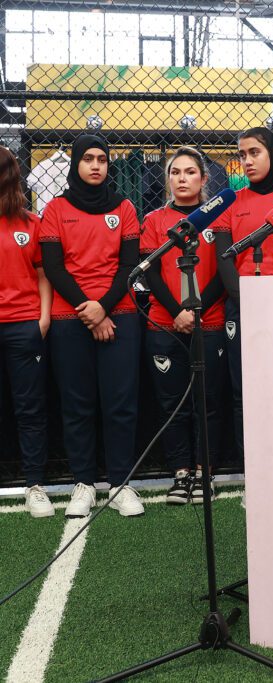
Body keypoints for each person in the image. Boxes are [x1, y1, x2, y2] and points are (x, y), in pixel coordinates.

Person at [40, 134, 143, 517]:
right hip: (71, 319)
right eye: (88, 159)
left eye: (102, 159)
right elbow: (54, 267)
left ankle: (120, 483)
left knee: (121, 405)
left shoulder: (125, 208)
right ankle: (83, 483)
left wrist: (104, 308)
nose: (96, 165)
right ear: (76, 164)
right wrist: (90, 311)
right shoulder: (55, 209)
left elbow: (129, 266)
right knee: (77, 405)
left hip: (120, 316)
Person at [141, 147, 227, 505]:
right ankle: (180, 472)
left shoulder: (218, 218)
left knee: (207, 402)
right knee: (172, 403)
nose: (182, 178)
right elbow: (151, 274)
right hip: (165, 323)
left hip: (209, 322)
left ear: (203, 179)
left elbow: (223, 271)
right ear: (167, 179)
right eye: (175, 172)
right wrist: (178, 311)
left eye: (190, 172)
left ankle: (204, 471)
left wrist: (196, 310)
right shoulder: (154, 221)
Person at [211, 127, 273, 469]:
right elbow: (224, 260)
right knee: (244, 392)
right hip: (243, 307)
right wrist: (247, 300)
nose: (247, 161)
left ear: (272, 153)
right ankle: (255, 470)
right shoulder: (230, 203)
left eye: (254, 153)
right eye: (242, 154)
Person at [0, 146, 53, 517]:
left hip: (24, 324)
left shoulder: (30, 223)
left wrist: (43, 318)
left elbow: (42, 274)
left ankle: (35, 485)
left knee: (30, 408)